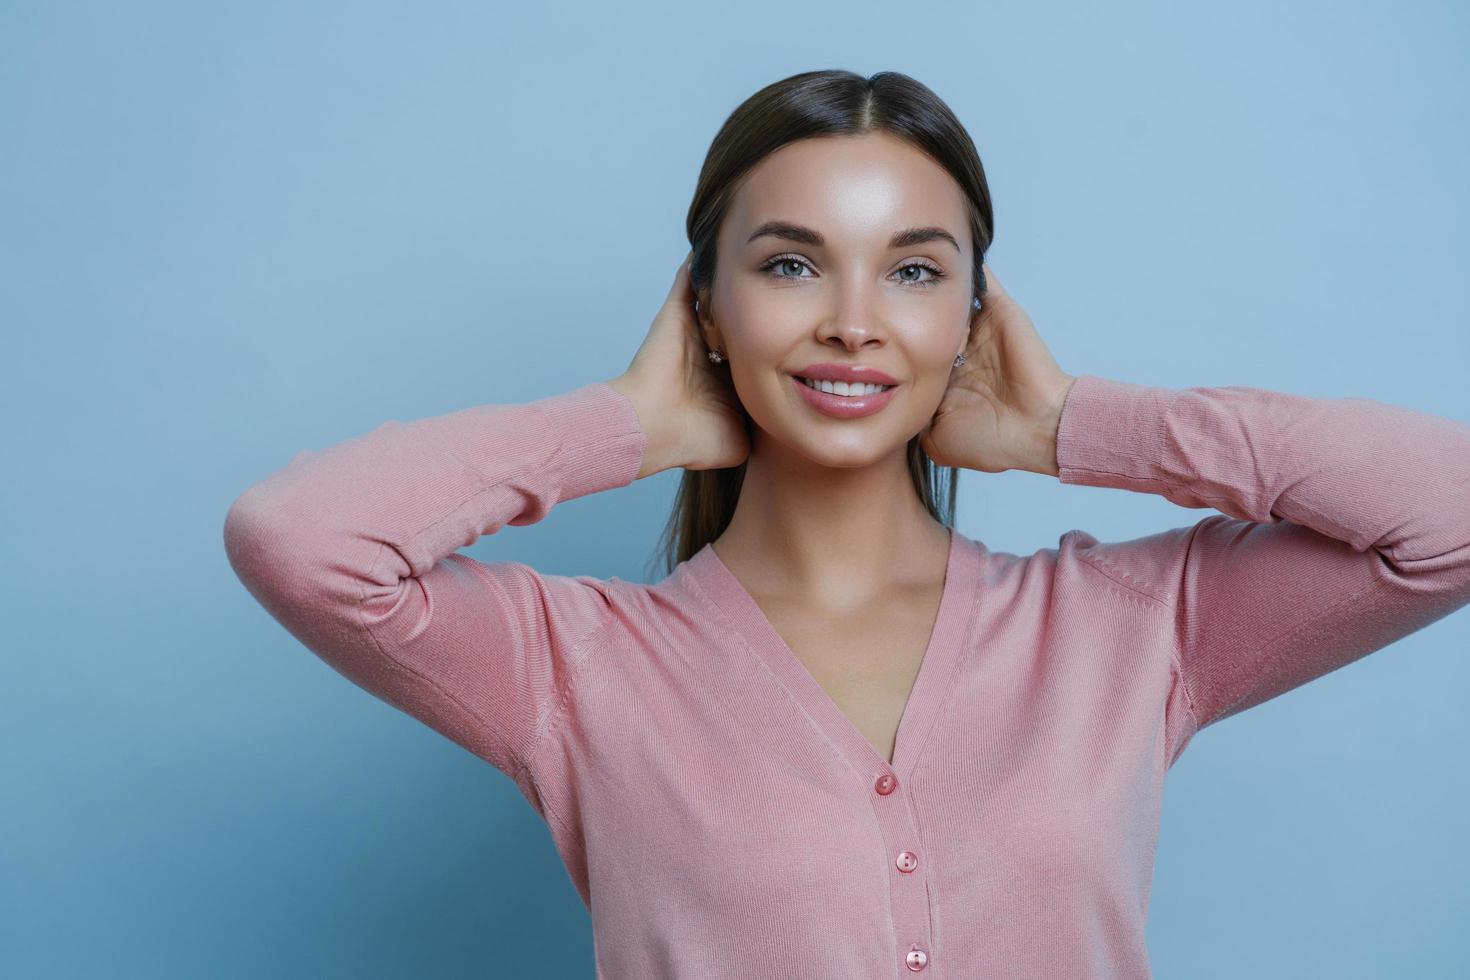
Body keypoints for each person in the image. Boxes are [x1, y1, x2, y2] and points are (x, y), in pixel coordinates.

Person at [222, 69, 1470, 979]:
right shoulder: (577, 664)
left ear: (972, 317)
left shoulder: (1135, 630)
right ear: (706, 305)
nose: (855, 321)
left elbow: (1447, 516)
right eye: (790, 264)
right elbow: (302, 537)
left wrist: (1075, 425)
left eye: (915, 269)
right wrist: (628, 423)